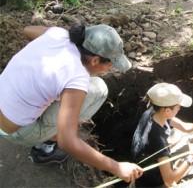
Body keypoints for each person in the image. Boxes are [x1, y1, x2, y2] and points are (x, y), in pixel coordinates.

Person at [0, 22, 143, 183]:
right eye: (109, 64)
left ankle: (54, 128)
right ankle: (45, 150)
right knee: (98, 89)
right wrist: (116, 167)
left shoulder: (58, 35)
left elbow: (27, 29)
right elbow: (66, 142)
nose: (109, 69)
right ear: (95, 60)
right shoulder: (77, 77)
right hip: (15, 131)